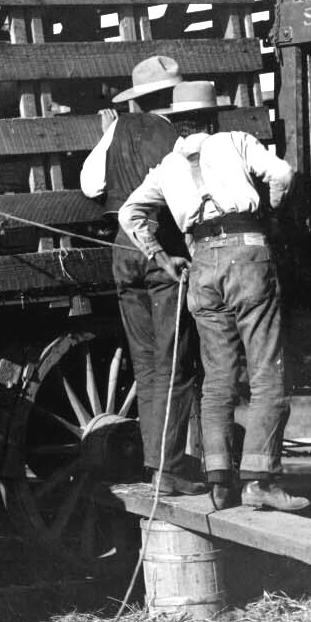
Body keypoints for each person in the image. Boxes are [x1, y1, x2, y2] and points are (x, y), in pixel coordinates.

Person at [118, 81, 303, 512]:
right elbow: (283, 174)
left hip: (200, 265)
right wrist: (272, 212)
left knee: (218, 379)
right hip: (248, 255)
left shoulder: (166, 166)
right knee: (266, 371)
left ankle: (219, 482)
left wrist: (161, 256)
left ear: (179, 123)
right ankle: (260, 481)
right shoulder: (236, 141)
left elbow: (131, 212)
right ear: (213, 116)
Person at [80, 55, 206, 496]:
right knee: (176, 364)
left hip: (122, 249)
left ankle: (159, 465)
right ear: (171, 94)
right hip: (162, 249)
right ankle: (167, 467)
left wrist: (111, 146)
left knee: (148, 365)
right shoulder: (176, 134)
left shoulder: (117, 130)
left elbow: (91, 185)